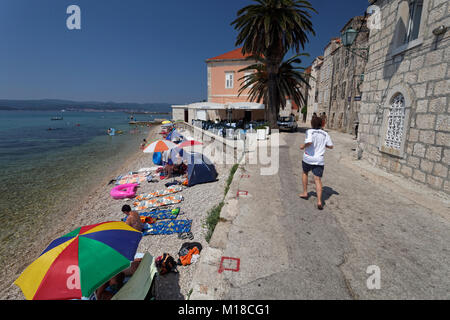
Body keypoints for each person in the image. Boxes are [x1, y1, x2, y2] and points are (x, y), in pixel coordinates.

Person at [299, 116, 334, 210]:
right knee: (317, 179)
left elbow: (309, 142)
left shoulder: (309, 131)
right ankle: (319, 201)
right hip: (319, 160)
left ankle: (305, 192)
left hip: (308, 158)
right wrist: (323, 144)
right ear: (321, 124)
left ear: (312, 124)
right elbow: (331, 146)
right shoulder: (325, 134)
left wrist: (303, 146)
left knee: (305, 173)